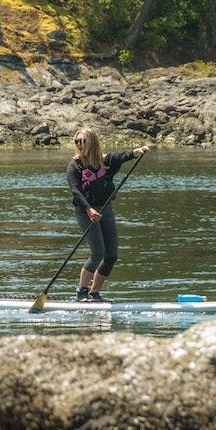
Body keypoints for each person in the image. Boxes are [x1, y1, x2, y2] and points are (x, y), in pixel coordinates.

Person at [67, 128, 150, 302]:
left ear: (93, 143)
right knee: (98, 252)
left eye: (83, 141)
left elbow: (123, 156)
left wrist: (137, 152)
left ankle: (94, 294)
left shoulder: (106, 161)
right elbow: (75, 190)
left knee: (111, 255)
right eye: (77, 142)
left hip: (105, 209)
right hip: (85, 210)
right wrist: (89, 209)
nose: (79, 145)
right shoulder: (74, 166)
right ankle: (81, 292)